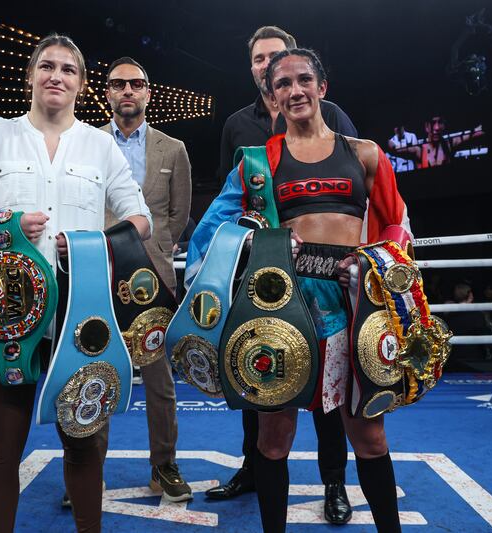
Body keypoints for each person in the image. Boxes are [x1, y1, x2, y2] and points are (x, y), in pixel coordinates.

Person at [0, 34, 152, 532]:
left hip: (81, 317)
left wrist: (92, 243)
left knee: (84, 444)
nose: (56, 76)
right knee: (1, 446)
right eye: (47, 67)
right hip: (5, 316)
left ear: (80, 83)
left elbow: (141, 219)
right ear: (30, 77)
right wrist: (0, 222)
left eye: (68, 69)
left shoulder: (100, 145)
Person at [188, 48, 411, 532]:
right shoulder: (255, 164)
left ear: (322, 87)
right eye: (282, 84)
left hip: (353, 309)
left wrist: (374, 263)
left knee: (369, 436)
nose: (294, 91)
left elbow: (397, 223)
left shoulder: (365, 153)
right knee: (274, 438)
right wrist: (259, 239)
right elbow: (210, 233)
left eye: (303, 79)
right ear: (272, 96)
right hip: (282, 311)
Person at [207, 25, 356, 527]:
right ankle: (255, 470)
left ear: (316, 84)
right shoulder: (238, 129)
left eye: (288, 65)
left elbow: (356, 192)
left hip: (330, 287)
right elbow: (223, 214)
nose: (288, 84)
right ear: (259, 75)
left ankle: (334, 481)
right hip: (264, 287)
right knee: (261, 387)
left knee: (331, 402)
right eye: (263, 62)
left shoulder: (331, 119)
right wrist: (249, 242)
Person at [101, 56, 193, 502]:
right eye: (119, 84)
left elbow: (178, 213)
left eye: (136, 83)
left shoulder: (173, 148)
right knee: (91, 369)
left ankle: (165, 465)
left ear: (148, 92)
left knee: (159, 378)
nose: (128, 91)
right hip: (95, 270)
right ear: (107, 93)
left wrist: (160, 249)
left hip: (152, 276)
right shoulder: (84, 143)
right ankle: (85, 469)